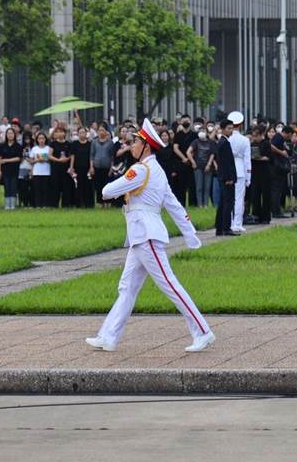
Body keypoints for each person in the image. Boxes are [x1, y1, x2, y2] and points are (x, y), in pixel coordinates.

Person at [85, 118, 214, 354]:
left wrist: (121, 183)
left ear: (146, 146)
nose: (131, 145)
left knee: (169, 284)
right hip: (140, 236)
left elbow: (106, 191)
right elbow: (174, 205)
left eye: (136, 142)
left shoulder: (140, 170)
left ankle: (203, 331)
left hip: (146, 235)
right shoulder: (157, 171)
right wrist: (190, 233)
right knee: (127, 287)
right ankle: (108, 336)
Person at [215, 119, 238, 236]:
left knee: (223, 203)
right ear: (223, 129)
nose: (231, 130)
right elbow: (225, 163)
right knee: (228, 203)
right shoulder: (224, 143)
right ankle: (226, 228)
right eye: (229, 128)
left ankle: (220, 228)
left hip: (223, 177)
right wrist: (229, 178)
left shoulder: (222, 142)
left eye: (232, 128)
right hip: (226, 178)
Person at [187, 127, 216, 208]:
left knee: (207, 187)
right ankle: (200, 204)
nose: (202, 132)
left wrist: (209, 164)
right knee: (199, 186)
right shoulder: (195, 142)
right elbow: (188, 152)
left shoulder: (211, 142)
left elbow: (212, 154)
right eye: (200, 131)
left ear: (207, 133)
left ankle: (205, 204)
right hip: (198, 167)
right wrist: (193, 162)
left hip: (208, 167)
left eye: (203, 131)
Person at [249, 125, 272, 223]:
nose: (255, 138)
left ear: (262, 134)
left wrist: (259, 158)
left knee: (266, 194)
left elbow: (268, 157)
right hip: (255, 171)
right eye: (253, 136)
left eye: (257, 136)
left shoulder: (266, 143)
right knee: (255, 194)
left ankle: (266, 216)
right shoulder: (252, 144)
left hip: (265, 171)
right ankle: (256, 215)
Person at [91, 125, 116, 208]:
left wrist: (111, 168)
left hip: (107, 167)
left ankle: (108, 202)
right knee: (98, 185)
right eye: (99, 130)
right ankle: (100, 202)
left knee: (107, 185)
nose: (101, 132)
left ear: (106, 132)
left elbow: (112, 156)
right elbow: (92, 155)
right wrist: (91, 167)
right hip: (97, 166)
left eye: (103, 130)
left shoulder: (110, 143)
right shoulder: (94, 142)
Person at [0, 127, 23, 210]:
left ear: (14, 135)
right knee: (6, 187)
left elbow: (18, 158)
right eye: (8, 133)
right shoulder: (2, 146)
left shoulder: (18, 146)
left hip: (14, 170)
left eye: (11, 133)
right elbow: (0, 159)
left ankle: (13, 205)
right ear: (6, 135)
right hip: (5, 170)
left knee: (13, 187)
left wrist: (6, 160)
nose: (10, 135)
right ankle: (7, 205)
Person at [27, 132, 53, 207]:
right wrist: (37, 160)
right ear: (37, 140)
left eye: (43, 138)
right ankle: (38, 204)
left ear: (45, 139)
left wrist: (45, 159)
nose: (41, 140)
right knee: (37, 190)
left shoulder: (48, 148)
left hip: (46, 172)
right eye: (39, 138)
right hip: (36, 172)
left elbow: (51, 159)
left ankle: (45, 204)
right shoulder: (34, 149)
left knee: (46, 189)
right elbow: (31, 161)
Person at [71, 127, 94, 208]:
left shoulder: (90, 144)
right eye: (80, 132)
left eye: (83, 132)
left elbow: (91, 157)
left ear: (86, 133)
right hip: (77, 168)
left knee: (88, 186)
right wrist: (71, 167)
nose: (82, 134)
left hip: (87, 168)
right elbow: (73, 156)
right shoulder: (74, 144)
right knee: (78, 186)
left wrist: (91, 167)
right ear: (78, 134)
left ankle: (89, 204)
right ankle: (79, 203)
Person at [18, 134, 34, 208]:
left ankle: (31, 203)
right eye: (25, 139)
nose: (27, 140)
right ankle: (24, 203)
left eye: (28, 138)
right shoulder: (21, 148)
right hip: (22, 169)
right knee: (23, 187)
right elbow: (19, 160)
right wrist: (23, 155)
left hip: (31, 169)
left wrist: (27, 158)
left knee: (31, 187)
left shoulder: (34, 148)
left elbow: (33, 160)